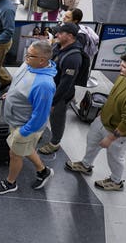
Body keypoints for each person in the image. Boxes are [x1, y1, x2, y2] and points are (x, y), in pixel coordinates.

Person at [66, 52, 126, 191]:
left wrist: (110, 138)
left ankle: (116, 181)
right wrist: (102, 113)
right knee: (92, 143)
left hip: (119, 132)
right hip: (103, 120)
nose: (120, 68)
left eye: (124, 66)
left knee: (115, 157)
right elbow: (113, 96)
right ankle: (85, 165)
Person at [0, 40, 57, 195]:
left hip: (26, 126)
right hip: (17, 120)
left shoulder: (44, 85)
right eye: (27, 53)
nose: (26, 57)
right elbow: (20, 85)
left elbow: (40, 117)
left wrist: (23, 133)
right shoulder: (29, 64)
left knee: (15, 154)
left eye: (30, 55)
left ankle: (10, 182)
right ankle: (43, 171)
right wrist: (12, 93)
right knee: (25, 148)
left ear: (42, 60)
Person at [37, 23, 83, 155]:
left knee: (56, 119)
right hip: (48, 89)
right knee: (41, 112)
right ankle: (38, 131)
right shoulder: (58, 46)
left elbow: (66, 84)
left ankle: (54, 143)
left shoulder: (73, 57)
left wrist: (54, 102)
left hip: (60, 95)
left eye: (60, 33)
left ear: (69, 36)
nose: (56, 35)